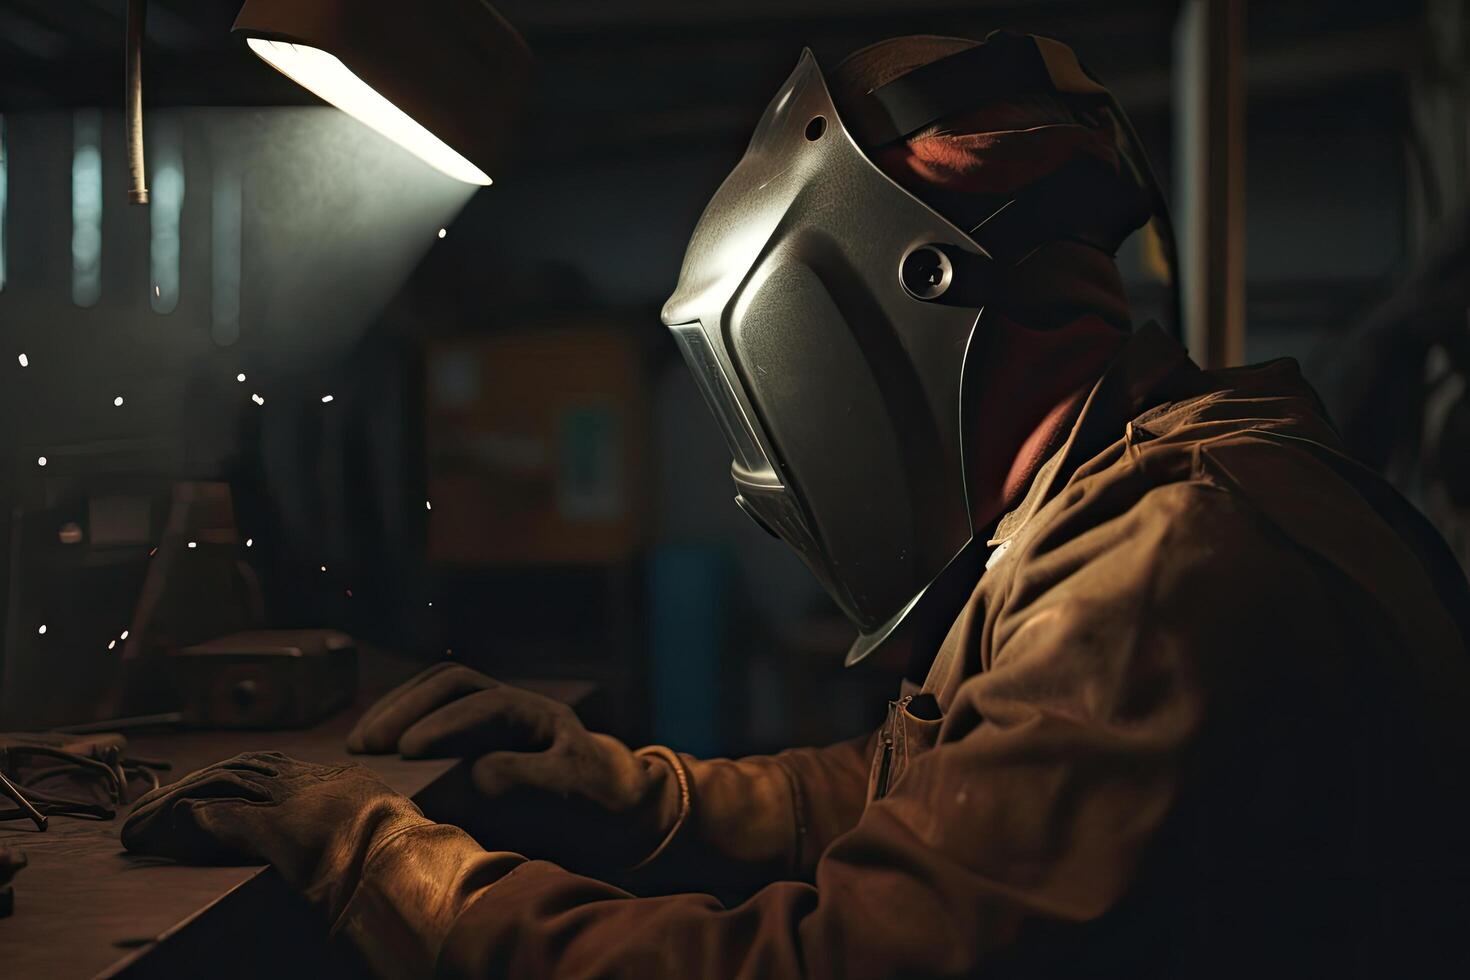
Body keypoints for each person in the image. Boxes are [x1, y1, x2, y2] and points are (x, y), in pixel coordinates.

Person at [121, 32, 1470, 978]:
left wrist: (386, 864)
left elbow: (831, 967)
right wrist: (619, 788)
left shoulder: (1161, 571)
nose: (762, 479)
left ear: (863, 331)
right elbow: (923, 798)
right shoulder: (1133, 504)